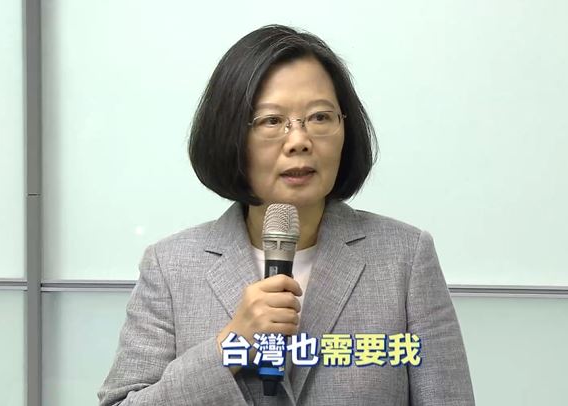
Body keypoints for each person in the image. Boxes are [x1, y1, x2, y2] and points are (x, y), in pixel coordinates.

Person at [98, 24, 475, 405]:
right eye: (271, 121)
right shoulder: (170, 266)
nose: (299, 141)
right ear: (231, 135)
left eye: (320, 117)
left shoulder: (405, 257)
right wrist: (229, 346)